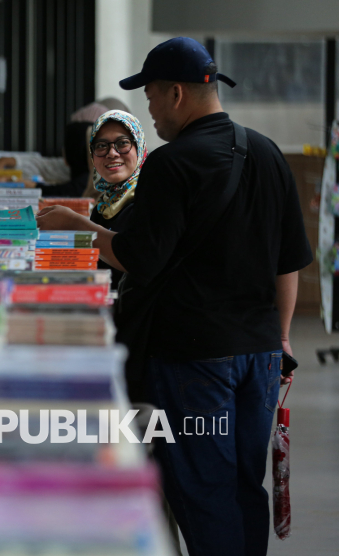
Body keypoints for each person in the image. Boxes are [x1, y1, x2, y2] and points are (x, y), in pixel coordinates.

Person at [36, 37, 312, 556]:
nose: (151, 110)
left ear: (177, 94)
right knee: (242, 487)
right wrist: (280, 339)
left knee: (206, 492)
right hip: (260, 357)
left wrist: (78, 224)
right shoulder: (267, 152)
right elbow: (289, 262)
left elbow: (137, 257)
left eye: (151, 97)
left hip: (194, 362)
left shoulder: (170, 164)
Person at [87, 110, 147, 289]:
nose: (112, 153)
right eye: (101, 145)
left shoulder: (148, 203)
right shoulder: (103, 205)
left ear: (139, 147)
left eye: (122, 143)